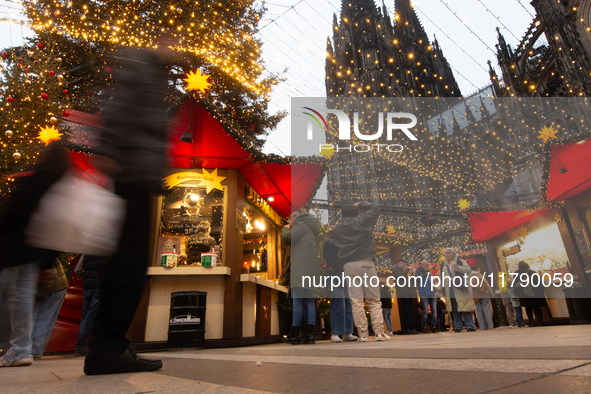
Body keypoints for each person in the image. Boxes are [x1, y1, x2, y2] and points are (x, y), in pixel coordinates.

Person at [83, 40, 175, 375]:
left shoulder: (152, 70)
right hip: (132, 174)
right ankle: (108, 347)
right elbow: (121, 109)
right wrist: (109, 150)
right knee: (128, 267)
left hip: (138, 174)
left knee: (127, 266)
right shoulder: (143, 65)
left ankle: (108, 345)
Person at [0, 141, 68, 367]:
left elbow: (14, 213)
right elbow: (56, 226)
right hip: (33, 252)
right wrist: (47, 261)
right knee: (19, 298)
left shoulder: (35, 181)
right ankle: (20, 349)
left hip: (18, 249)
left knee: (15, 299)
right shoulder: (56, 186)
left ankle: (19, 350)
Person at [332, 202, 390, 342]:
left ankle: (363, 334)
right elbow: (376, 206)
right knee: (374, 300)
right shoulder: (361, 221)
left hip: (349, 266)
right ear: (356, 213)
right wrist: (360, 205)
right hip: (366, 263)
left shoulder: (337, 229)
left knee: (356, 301)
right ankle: (379, 332)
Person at [281, 209, 319, 345]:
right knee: (309, 301)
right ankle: (309, 334)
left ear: (294, 219)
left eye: (289, 221)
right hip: (310, 270)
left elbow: (286, 239)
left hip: (300, 270)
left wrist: (285, 229)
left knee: (297, 301)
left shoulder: (300, 225)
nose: (289, 224)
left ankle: (294, 334)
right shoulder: (310, 227)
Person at [31, 258, 69, 359]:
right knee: (44, 322)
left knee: (39, 321)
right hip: (58, 286)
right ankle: (36, 352)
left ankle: (33, 352)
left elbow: (50, 278)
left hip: (52, 288)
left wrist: (35, 295)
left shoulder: (39, 255)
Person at [324, 231, 358, 343]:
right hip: (334, 275)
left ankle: (348, 332)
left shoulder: (341, 244)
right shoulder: (329, 243)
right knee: (338, 303)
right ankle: (335, 332)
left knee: (348, 303)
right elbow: (333, 251)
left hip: (345, 275)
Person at [74, 255, 108, 356]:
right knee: (91, 316)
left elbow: (77, 270)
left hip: (87, 286)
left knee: (85, 315)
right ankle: (81, 346)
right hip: (100, 286)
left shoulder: (87, 253)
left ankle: (81, 345)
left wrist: (88, 277)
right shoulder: (107, 254)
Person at [440, 248, 476, 332]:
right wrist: (440, 288)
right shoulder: (443, 264)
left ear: (453, 253)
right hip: (449, 287)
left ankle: (470, 325)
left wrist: (458, 267)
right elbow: (442, 277)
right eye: (445, 253)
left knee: (464, 306)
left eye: (448, 253)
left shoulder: (460, 261)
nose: (447, 255)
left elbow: (468, 270)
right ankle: (458, 326)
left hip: (460, 287)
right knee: (454, 307)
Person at [513, 261, 546, 327]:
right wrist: (541, 291)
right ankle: (540, 321)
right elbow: (540, 283)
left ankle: (531, 322)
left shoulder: (516, 273)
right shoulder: (532, 272)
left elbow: (515, 285)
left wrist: (516, 293)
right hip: (535, 293)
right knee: (537, 307)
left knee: (528, 308)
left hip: (524, 295)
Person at [391, 259, 419, 334]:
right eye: (403, 263)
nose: (404, 265)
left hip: (408, 292)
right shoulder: (395, 270)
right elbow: (401, 276)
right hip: (403, 293)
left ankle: (410, 327)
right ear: (399, 263)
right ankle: (406, 328)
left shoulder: (402, 271)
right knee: (405, 310)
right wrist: (407, 269)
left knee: (409, 310)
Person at [416, 260, 438, 333]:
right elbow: (418, 279)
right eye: (425, 265)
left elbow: (433, 282)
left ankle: (433, 326)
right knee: (425, 311)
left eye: (427, 265)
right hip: (423, 293)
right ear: (421, 265)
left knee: (434, 311)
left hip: (432, 293)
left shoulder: (429, 272)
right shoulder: (418, 272)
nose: (427, 266)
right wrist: (427, 274)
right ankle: (424, 327)